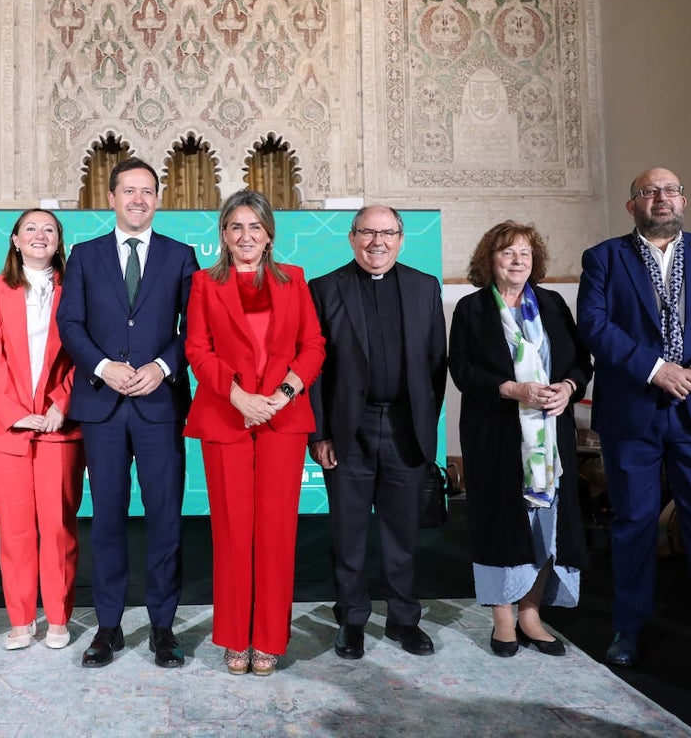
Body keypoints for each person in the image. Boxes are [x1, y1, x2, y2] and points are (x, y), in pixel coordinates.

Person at [578, 166, 691, 679]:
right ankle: (628, 629)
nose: (661, 198)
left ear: (684, 199)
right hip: (633, 412)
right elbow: (594, 325)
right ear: (632, 205)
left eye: (670, 190)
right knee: (633, 523)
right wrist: (657, 371)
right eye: (648, 191)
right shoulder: (604, 259)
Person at [56, 156, 199, 669]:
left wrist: (163, 365)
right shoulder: (85, 254)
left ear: (157, 199)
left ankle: (163, 627)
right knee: (108, 521)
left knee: (165, 519)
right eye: (129, 191)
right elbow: (70, 322)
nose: (138, 199)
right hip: (103, 406)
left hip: (160, 407)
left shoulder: (181, 256)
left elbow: (194, 331)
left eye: (148, 191)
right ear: (111, 198)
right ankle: (109, 626)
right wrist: (101, 366)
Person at [183, 190, 325, 676]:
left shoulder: (295, 281)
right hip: (227, 418)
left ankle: (268, 638)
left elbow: (313, 345)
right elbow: (197, 349)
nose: (246, 236)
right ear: (223, 233)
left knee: (276, 533)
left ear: (269, 235)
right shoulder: (204, 283)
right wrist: (238, 397)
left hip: (282, 420)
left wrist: (281, 395)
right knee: (231, 533)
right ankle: (234, 638)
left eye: (255, 227)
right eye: (236, 226)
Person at [308, 205, 446, 660]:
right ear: (351, 238)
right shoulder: (324, 288)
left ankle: (405, 619)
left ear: (401, 239)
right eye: (367, 232)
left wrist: (425, 426)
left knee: (402, 533)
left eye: (387, 233)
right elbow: (315, 371)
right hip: (349, 429)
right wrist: (320, 433)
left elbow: (435, 366)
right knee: (348, 532)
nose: (377, 242)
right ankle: (351, 618)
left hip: (406, 427)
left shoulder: (425, 287)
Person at [449, 221, 593, 658]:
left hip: (551, 437)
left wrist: (568, 387)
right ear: (488, 260)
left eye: (525, 253)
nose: (517, 260)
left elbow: (580, 362)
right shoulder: (471, 309)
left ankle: (532, 613)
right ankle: (503, 617)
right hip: (495, 434)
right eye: (507, 252)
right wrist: (513, 390)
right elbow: (462, 369)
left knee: (547, 523)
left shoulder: (551, 304)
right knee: (500, 521)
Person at [0, 209, 84, 651]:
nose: (40, 235)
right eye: (31, 229)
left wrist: (63, 402)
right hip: (8, 430)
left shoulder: (77, 290)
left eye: (49, 230)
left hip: (60, 427)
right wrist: (14, 411)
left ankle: (58, 617)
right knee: (15, 529)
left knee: (58, 527)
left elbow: (85, 352)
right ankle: (21, 619)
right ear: (15, 240)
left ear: (60, 242)